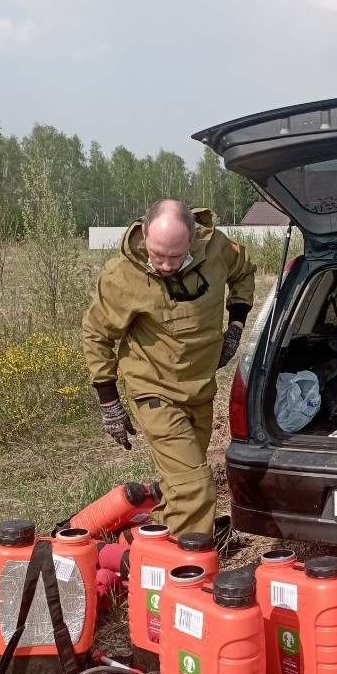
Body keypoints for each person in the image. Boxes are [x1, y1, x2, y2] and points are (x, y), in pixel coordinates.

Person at [82, 200, 256, 538]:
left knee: (180, 487)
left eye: (174, 257)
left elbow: (243, 272)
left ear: (192, 239)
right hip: (154, 391)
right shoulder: (121, 276)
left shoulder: (217, 248)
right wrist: (109, 403)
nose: (164, 265)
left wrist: (235, 325)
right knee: (196, 488)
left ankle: (140, 551)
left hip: (200, 390)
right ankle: (186, 568)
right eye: (157, 254)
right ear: (144, 232)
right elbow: (97, 334)